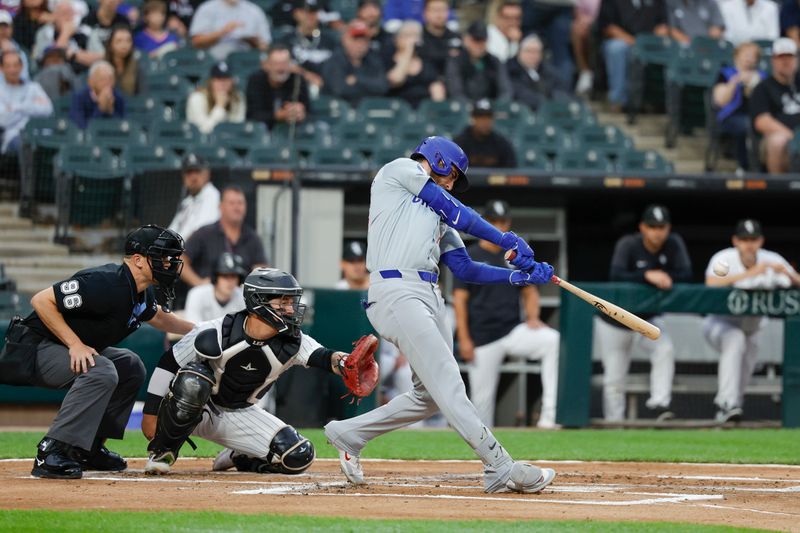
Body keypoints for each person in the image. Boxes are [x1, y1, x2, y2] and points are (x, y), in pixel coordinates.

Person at [323, 135, 557, 494]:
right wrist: (506, 238)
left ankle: (348, 434)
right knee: (449, 382)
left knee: (428, 395)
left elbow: (465, 268)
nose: (451, 183)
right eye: (452, 175)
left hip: (430, 294)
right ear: (437, 159)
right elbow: (455, 208)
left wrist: (518, 276)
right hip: (396, 289)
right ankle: (501, 467)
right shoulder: (399, 171)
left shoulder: (438, 213)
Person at [0, 225, 194, 479]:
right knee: (101, 370)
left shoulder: (139, 292)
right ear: (137, 260)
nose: (168, 263)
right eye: (162, 256)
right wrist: (74, 344)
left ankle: (88, 448)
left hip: (58, 349)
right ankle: (52, 450)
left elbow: (158, 318)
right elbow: (41, 300)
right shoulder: (106, 282)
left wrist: (202, 329)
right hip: (34, 349)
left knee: (130, 365)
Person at [142, 268, 355, 475]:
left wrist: (348, 363)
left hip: (240, 412)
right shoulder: (216, 331)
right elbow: (169, 362)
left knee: (298, 455)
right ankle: (163, 450)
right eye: (283, 302)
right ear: (258, 302)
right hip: (193, 407)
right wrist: (150, 413)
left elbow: (326, 357)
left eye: (291, 301)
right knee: (194, 380)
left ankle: (240, 455)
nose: (291, 309)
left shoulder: (293, 342)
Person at [453, 200, 560, 428]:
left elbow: (530, 290)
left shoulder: (514, 256)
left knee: (552, 341)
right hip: (482, 336)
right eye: (493, 222)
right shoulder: (469, 255)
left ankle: (549, 418)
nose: (499, 226)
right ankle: (485, 453)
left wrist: (532, 317)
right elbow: (460, 301)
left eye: (502, 222)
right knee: (481, 409)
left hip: (512, 330)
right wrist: (464, 338)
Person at [596, 205, 692, 422]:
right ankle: (615, 424)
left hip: (647, 319)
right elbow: (616, 275)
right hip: (615, 321)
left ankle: (660, 404)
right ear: (642, 227)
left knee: (664, 349)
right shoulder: (628, 244)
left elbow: (685, 273)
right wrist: (646, 275)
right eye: (652, 226)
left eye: (661, 226)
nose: (657, 231)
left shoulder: (673, 243)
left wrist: (667, 277)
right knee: (615, 378)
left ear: (668, 228)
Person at [704, 219, 800, 423]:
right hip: (720, 324)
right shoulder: (724, 258)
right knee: (735, 338)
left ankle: (732, 408)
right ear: (735, 240)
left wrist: (789, 275)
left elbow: (797, 280)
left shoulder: (771, 259)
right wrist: (752, 272)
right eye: (744, 239)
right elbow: (710, 283)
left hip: (753, 327)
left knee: (746, 364)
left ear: (761, 241)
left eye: (753, 239)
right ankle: (726, 403)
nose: (749, 244)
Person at [180, 185, 268, 290]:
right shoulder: (204, 234)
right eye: (232, 203)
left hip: (240, 300)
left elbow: (261, 270)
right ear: (220, 207)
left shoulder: (253, 238)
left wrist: (252, 286)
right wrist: (199, 284)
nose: (237, 207)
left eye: (240, 203)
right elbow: (181, 260)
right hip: (208, 299)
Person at [598, 0, 669, 112]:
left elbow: (663, 25)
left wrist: (655, 37)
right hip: (622, 41)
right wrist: (635, 43)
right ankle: (618, 100)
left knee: (669, 49)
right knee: (617, 48)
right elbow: (608, 28)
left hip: (649, 44)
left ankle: (658, 102)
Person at [712, 42, 766, 171]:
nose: (749, 58)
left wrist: (756, 85)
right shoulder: (725, 73)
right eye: (746, 54)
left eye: (753, 55)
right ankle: (744, 166)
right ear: (736, 56)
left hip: (758, 116)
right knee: (747, 125)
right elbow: (720, 101)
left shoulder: (763, 76)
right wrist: (735, 81)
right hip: (731, 116)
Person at [750, 37, 800, 174]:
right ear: (773, 60)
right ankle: (778, 187)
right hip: (779, 138)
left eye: (789, 57)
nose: (786, 61)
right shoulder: (763, 87)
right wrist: (793, 137)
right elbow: (762, 121)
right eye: (781, 57)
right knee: (778, 141)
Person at [320, 19, 388, 106]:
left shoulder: (373, 60)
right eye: (355, 39)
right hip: (338, 113)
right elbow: (340, 90)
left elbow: (383, 86)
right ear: (344, 39)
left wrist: (357, 80)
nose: (360, 44)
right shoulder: (334, 61)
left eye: (364, 40)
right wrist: (370, 87)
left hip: (366, 112)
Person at [246, 43, 310, 131]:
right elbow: (252, 115)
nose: (281, 68)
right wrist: (279, 115)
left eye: (284, 63)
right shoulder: (256, 80)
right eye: (276, 63)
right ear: (266, 65)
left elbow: (309, 111)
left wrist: (301, 112)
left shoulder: (297, 80)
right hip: (262, 133)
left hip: (292, 132)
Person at [0, 49, 52, 156]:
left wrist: (16, 107)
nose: (12, 70)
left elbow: (48, 110)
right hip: (14, 137)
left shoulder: (33, 87)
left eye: (15, 65)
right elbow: (3, 120)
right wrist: (32, 105)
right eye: (8, 66)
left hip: (39, 133)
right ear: (1, 68)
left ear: (21, 66)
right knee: (26, 146)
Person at [446, 21, 512, 103]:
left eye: (483, 40)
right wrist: (474, 108)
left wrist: (498, 106)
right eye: (476, 40)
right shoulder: (456, 61)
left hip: (491, 110)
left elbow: (505, 89)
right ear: (467, 39)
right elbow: (456, 91)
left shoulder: (494, 62)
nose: (479, 44)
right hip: (464, 111)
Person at [384, 19, 445, 107]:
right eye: (408, 35)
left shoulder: (427, 63)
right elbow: (396, 80)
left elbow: (436, 89)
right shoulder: (388, 60)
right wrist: (408, 51)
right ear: (397, 39)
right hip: (397, 111)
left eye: (416, 35)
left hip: (423, 112)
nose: (413, 39)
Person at [276, 0, 338, 86]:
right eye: (305, 12)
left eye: (313, 12)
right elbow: (279, 65)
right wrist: (306, 75)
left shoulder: (330, 41)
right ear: (296, 14)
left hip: (326, 87)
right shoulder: (286, 41)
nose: (310, 16)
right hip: (297, 88)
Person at [32, 0, 101, 73]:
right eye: (63, 14)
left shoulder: (85, 31)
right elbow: (51, 62)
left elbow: (101, 57)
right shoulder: (45, 32)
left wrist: (74, 55)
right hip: (56, 76)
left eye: (70, 14)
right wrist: (65, 34)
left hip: (84, 74)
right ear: (54, 16)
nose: (68, 18)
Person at [189, 0, 271, 61]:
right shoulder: (207, 8)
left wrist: (254, 42)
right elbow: (196, 42)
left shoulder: (254, 11)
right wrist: (222, 32)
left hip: (246, 58)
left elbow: (265, 46)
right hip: (215, 59)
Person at [521, 0, 575, 90]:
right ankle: (564, 95)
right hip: (565, 4)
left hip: (536, 4)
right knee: (561, 54)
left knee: (528, 46)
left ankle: (526, 90)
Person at [167, 152, 221, 241]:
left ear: (207, 174)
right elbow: (171, 231)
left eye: (197, 171)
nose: (193, 177)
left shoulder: (211, 196)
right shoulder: (187, 202)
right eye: (189, 172)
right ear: (183, 176)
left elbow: (199, 234)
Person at [506, 33, 567, 111]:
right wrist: (548, 104)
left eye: (537, 52)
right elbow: (520, 94)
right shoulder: (511, 71)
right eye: (529, 51)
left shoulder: (547, 70)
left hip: (551, 113)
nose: (533, 55)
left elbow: (561, 89)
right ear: (519, 52)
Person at [184, 252, 247, 324]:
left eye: (233, 276)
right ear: (215, 278)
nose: (230, 282)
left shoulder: (243, 297)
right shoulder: (197, 294)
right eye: (225, 276)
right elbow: (193, 329)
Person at [454, 99, 517, 168]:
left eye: (488, 117)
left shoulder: (501, 144)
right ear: (473, 118)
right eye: (481, 117)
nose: (485, 122)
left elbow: (511, 171)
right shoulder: (460, 143)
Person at [186, 61, 245, 134]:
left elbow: (237, 128)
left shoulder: (237, 98)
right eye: (218, 79)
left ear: (232, 81)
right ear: (211, 81)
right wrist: (220, 107)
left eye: (226, 79)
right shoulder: (197, 98)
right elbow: (203, 131)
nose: (223, 83)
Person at [68, 59, 125, 129]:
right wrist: (100, 109)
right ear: (90, 81)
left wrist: (111, 111)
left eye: (110, 79)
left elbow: (123, 129)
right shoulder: (80, 98)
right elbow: (80, 128)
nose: (107, 83)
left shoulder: (118, 97)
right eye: (102, 79)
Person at [416, 0, 462, 80]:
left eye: (443, 10)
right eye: (435, 10)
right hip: (422, 85)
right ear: (425, 13)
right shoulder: (417, 37)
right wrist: (448, 54)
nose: (439, 15)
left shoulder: (456, 37)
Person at [105, 25, 145, 96]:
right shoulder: (102, 68)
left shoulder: (137, 68)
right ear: (110, 44)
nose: (124, 45)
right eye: (119, 41)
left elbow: (143, 96)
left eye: (128, 40)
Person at [571, 0, 600, 95]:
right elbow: (578, 12)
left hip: (608, 25)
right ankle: (585, 71)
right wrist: (584, 20)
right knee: (577, 30)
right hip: (587, 26)